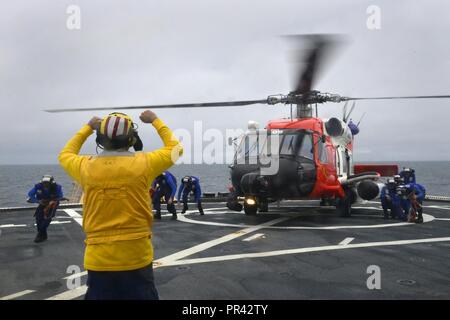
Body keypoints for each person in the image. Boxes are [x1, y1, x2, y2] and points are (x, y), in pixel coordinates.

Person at [58, 110, 182, 300]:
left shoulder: (85, 166)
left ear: (100, 139)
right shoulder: (145, 163)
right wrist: (155, 120)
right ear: (132, 140)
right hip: (137, 257)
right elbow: (176, 149)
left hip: (98, 259)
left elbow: (65, 154)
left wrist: (87, 127)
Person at [27, 175, 64, 243]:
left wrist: (53, 201)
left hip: (53, 203)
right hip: (42, 203)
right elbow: (30, 194)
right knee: (38, 218)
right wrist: (38, 201)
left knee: (47, 218)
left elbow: (60, 196)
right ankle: (43, 235)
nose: (45, 185)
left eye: (47, 183)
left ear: (51, 183)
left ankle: (39, 235)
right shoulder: (38, 186)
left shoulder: (57, 187)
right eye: (44, 183)